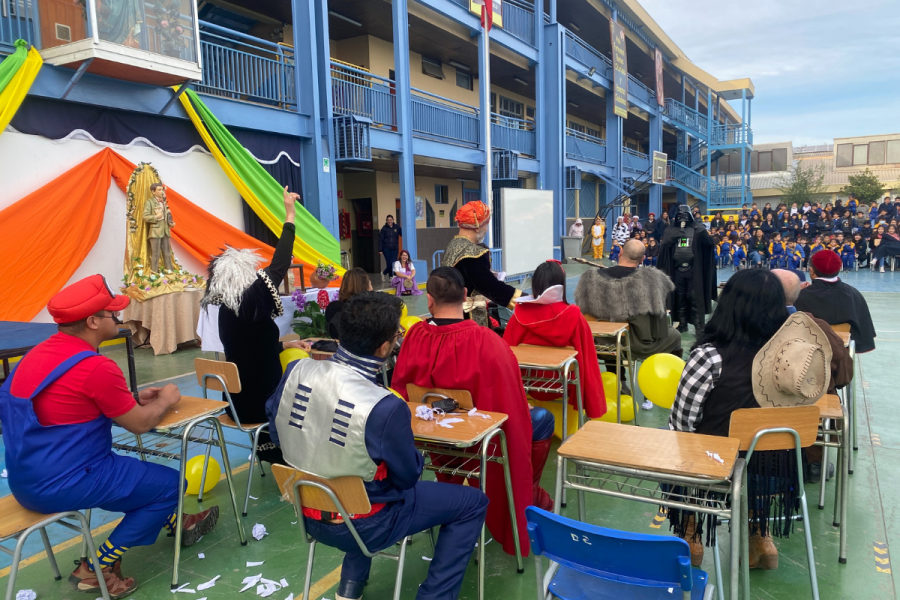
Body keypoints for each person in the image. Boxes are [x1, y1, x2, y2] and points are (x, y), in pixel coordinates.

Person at [0, 275, 219, 598]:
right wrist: (165, 399)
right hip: (69, 480)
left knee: (147, 479)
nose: (118, 319)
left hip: (25, 479)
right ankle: (97, 567)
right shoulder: (96, 367)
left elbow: (70, 405)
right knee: (172, 484)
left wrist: (129, 400)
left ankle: (180, 522)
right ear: (92, 322)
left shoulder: (35, 357)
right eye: (111, 314)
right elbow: (140, 425)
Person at [266, 292, 488, 600]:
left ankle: (350, 588)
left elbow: (275, 430)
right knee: (472, 502)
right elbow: (408, 478)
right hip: (367, 523)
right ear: (385, 347)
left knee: (356, 480)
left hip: (307, 508)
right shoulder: (383, 406)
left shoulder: (296, 372)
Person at [668, 270, 835, 570]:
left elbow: (682, 423)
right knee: (757, 455)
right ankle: (761, 535)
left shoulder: (710, 356)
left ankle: (690, 530)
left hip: (716, 470)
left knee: (678, 443)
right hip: (777, 470)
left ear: (728, 304)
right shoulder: (793, 359)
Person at [392, 267, 544, 558]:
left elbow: (400, 390)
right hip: (478, 446)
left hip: (429, 440)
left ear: (429, 300)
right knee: (535, 423)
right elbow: (510, 406)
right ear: (465, 296)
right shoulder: (487, 342)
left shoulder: (414, 337)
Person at [201, 186, 311, 463]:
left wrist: (286, 343)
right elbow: (282, 259)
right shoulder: (256, 295)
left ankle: (267, 452)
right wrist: (289, 213)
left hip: (239, 406)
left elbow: (252, 348)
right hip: (267, 406)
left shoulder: (225, 310)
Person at [575, 239, 683, 408]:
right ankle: (666, 383)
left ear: (620, 253)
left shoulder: (590, 279)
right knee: (674, 335)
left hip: (602, 344)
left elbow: (582, 313)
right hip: (638, 344)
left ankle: (619, 380)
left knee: (608, 334)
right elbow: (659, 323)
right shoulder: (652, 280)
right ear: (642, 259)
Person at [504, 260, 607, 421]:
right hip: (564, 383)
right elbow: (587, 361)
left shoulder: (518, 316)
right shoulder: (575, 316)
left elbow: (506, 356)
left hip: (527, 385)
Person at [442, 201, 521, 327]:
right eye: (486, 224)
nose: (486, 229)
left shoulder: (452, 245)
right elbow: (490, 287)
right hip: (469, 319)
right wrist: (523, 299)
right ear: (478, 226)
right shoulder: (474, 253)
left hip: (449, 315)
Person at [794, 249, 876, 353]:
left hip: (807, 353)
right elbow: (863, 332)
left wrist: (794, 293)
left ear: (812, 271)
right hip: (842, 353)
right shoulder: (854, 294)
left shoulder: (800, 296)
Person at [658, 205, 717, 333]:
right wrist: (671, 239)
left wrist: (703, 233)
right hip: (676, 270)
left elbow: (709, 244)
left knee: (695, 297)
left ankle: (699, 325)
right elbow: (664, 249)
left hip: (693, 270)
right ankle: (682, 323)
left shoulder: (698, 229)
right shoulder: (671, 230)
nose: (682, 218)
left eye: (685, 215)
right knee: (680, 298)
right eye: (680, 215)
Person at [324, 268, 373, 339]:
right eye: (370, 284)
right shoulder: (366, 315)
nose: (372, 288)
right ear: (364, 288)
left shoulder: (335, 309)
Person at [142, 182, 175, 273]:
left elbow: (166, 216)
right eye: (159, 190)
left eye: (162, 189)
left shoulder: (164, 202)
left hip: (165, 231)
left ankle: (170, 272)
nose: (161, 191)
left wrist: (170, 223)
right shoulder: (149, 202)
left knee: (167, 253)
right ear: (153, 191)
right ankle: (154, 273)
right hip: (155, 232)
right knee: (155, 254)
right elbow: (145, 216)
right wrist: (156, 217)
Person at [379, 215, 402, 280]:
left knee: (393, 262)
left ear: (393, 220)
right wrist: (380, 249)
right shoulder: (384, 228)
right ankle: (390, 277)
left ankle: (384, 272)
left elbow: (402, 233)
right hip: (386, 248)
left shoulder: (397, 227)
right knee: (389, 262)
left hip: (395, 248)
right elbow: (380, 239)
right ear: (386, 221)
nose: (389, 221)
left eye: (390, 220)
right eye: (388, 220)